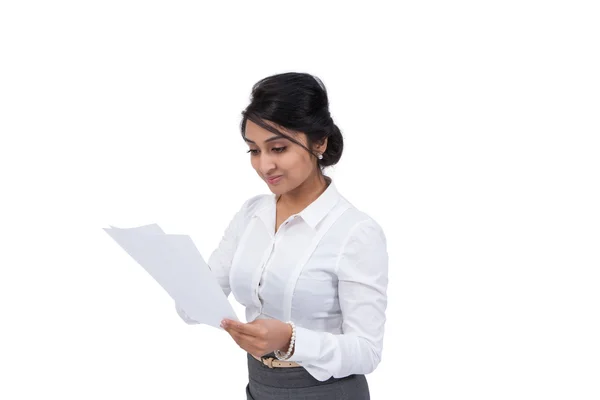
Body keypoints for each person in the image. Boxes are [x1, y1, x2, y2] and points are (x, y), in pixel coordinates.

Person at [177, 72, 389, 399]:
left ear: (320, 142)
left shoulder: (356, 232)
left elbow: (367, 351)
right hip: (260, 386)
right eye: (254, 151)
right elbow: (197, 304)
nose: (265, 166)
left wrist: (290, 340)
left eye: (278, 148)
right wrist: (172, 271)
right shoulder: (251, 214)